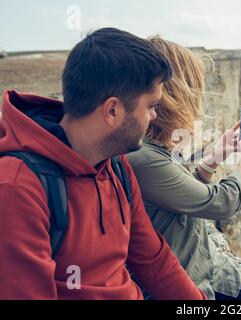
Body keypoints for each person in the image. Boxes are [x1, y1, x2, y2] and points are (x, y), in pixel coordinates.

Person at [0, 28, 206, 300]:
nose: (154, 116)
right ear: (112, 110)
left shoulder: (116, 167)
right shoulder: (18, 188)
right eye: (151, 106)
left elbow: (153, 260)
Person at [128, 37, 241, 300]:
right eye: (195, 88)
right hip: (189, 283)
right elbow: (218, 203)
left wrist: (213, 158)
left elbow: (177, 197)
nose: (199, 97)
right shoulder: (144, 158)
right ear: (174, 95)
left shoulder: (153, 148)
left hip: (210, 270)